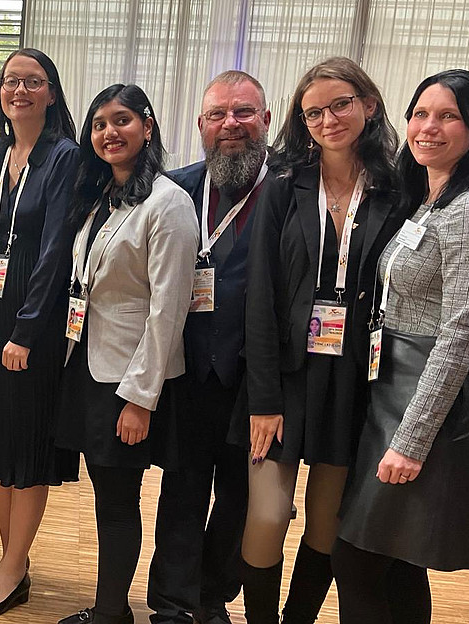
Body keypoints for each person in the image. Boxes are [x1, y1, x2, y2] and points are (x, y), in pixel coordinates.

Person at [237, 57, 404, 624]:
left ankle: (297, 618)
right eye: (313, 112)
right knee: (266, 516)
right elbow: (259, 297)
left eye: (340, 105)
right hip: (283, 377)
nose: (328, 119)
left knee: (327, 521)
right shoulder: (284, 186)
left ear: (369, 105)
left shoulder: (396, 189)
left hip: (355, 378)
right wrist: (263, 399)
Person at [333, 68, 469, 624]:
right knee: (396, 560)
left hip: (424, 401)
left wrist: (413, 440)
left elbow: (461, 331)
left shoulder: (468, 211)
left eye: (448, 116)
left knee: (359, 557)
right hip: (390, 388)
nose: (428, 127)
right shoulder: (428, 200)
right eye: (420, 113)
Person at [55, 85, 200, 624]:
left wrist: (141, 399)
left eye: (121, 121)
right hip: (90, 366)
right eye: (98, 125)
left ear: (148, 125)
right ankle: (109, 609)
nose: (109, 133)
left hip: (132, 380)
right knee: (107, 499)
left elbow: (169, 310)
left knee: (118, 504)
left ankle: (111, 613)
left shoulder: (169, 202)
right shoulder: (102, 197)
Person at [148, 70, 271, 624]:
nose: (231, 125)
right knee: (182, 491)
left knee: (241, 500)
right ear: (200, 124)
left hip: (258, 379)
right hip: (189, 369)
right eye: (218, 115)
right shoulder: (173, 188)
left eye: (243, 112)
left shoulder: (289, 191)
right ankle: (172, 603)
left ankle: (213, 593)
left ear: (265, 121)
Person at [0, 47, 79, 620]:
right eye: (11, 81)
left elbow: (57, 250)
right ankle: (14, 560)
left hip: (33, 318)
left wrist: (28, 331)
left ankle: (12, 566)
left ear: (51, 94)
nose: (20, 90)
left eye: (34, 81)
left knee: (26, 442)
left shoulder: (64, 157)